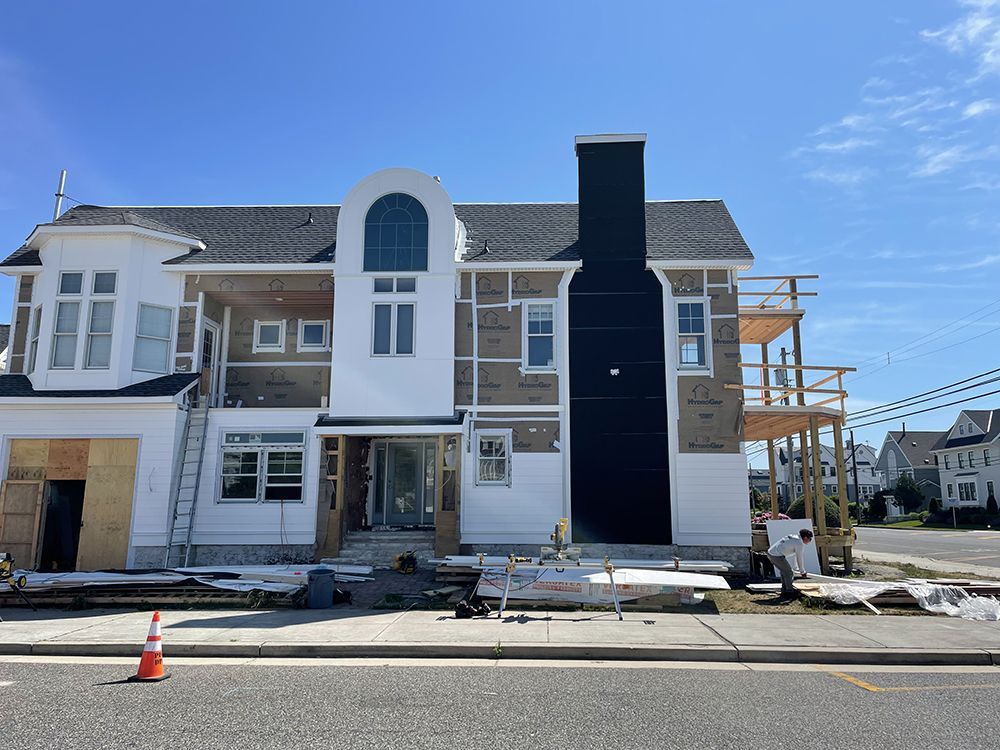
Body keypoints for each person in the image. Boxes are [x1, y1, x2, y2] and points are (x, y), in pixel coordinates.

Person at [767, 528, 813, 597]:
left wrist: (796, 568)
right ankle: (789, 592)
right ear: (805, 537)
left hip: (772, 553)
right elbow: (799, 558)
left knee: (784, 572)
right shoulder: (799, 543)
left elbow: (795, 555)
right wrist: (802, 572)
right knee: (789, 572)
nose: (810, 541)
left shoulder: (794, 538)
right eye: (810, 539)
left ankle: (784, 591)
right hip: (776, 555)